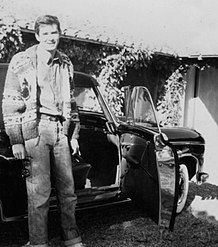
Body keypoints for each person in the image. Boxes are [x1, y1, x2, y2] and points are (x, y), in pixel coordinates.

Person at [2, 15, 85, 247]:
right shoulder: (21, 61)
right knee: (38, 193)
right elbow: (10, 102)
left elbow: (72, 102)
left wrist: (73, 135)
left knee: (68, 191)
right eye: (45, 33)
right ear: (38, 36)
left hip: (60, 130)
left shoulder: (66, 62)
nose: (51, 38)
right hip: (34, 132)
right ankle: (38, 243)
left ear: (60, 34)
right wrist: (16, 140)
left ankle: (72, 239)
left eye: (54, 33)